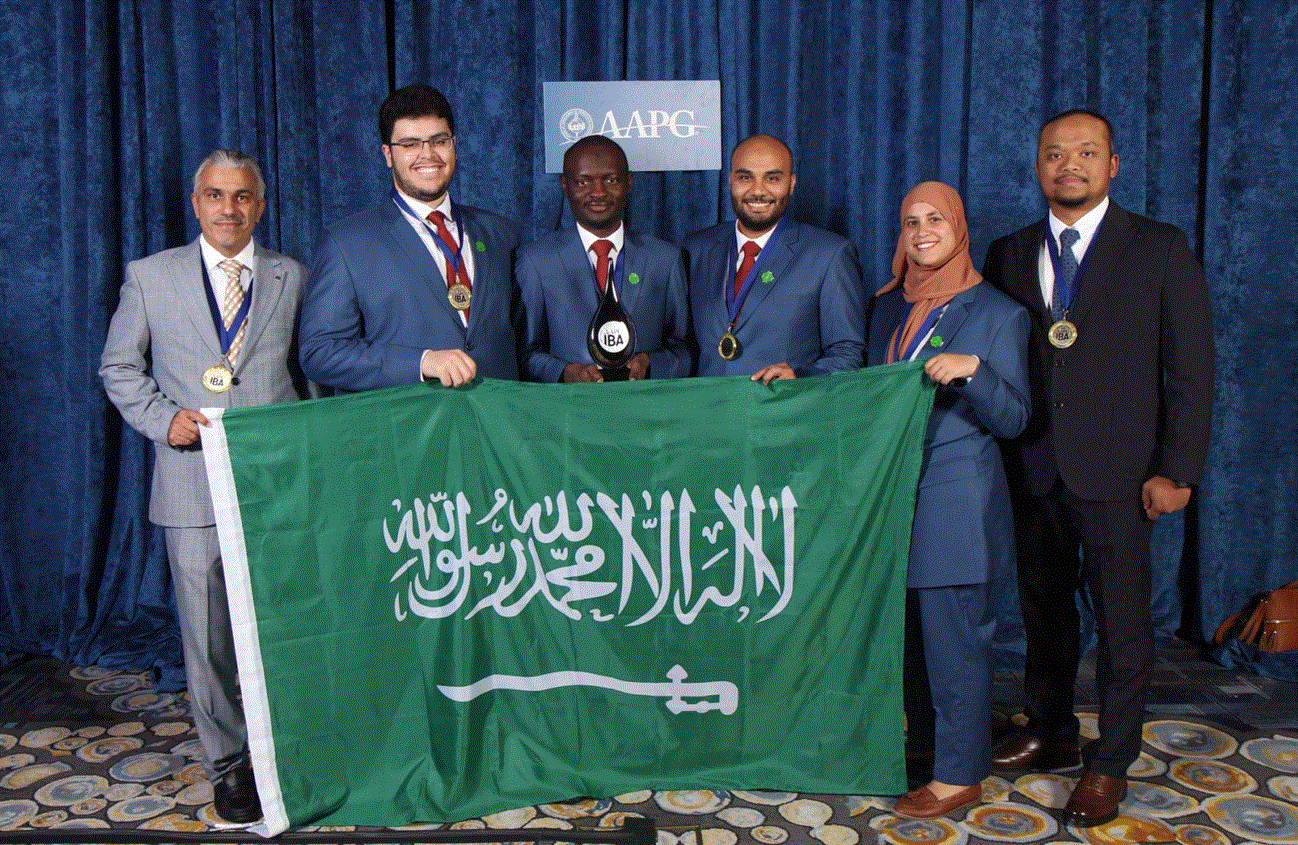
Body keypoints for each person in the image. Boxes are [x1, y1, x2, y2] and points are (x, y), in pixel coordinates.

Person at [983, 109, 1214, 827]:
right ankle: (1051, 728)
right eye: (1055, 153)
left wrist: (1177, 469)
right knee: (1043, 609)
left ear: (1114, 165)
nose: (1069, 164)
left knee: (1122, 624)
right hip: (1036, 464)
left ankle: (1109, 760)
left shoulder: (1160, 247)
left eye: (1086, 152)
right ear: (1037, 165)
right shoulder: (1008, 251)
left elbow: (1193, 370)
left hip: (1123, 471)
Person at [100, 149, 313, 824]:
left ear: (262, 204)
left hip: (274, 490)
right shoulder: (150, 277)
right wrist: (166, 421)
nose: (230, 208)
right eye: (217, 196)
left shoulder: (292, 277)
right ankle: (229, 765)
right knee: (210, 642)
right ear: (196, 204)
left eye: (243, 196)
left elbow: (309, 380)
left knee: (283, 628)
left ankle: (290, 748)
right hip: (192, 492)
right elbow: (118, 369)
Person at [867, 182, 1030, 819]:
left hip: (956, 505)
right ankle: (924, 756)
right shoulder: (888, 308)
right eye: (911, 221)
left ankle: (960, 775)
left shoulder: (996, 313)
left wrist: (973, 370)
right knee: (908, 642)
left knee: (955, 642)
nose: (923, 231)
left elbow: (1016, 417)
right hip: (891, 503)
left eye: (936, 219)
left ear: (959, 228)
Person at [299, 84, 521, 392]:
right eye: (410, 144)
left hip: (495, 425)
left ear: (454, 144)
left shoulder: (500, 233)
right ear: (388, 154)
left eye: (439, 141)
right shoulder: (346, 243)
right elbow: (320, 353)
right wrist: (422, 362)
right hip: (406, 431)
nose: (427, 154)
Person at [683, 134, 865, 382]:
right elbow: (681, 346)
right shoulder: (696, 249)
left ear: (791, 184)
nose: (758, 191)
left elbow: (849, 354)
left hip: (782, 413)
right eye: (745, 177)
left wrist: (800, 375)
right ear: (730, 180)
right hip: (708, 413)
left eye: (772, 178)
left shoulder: (830, 254)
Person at [516, 135, 689, 382]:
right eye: (583, 182)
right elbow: (524, 354)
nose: (598, 193)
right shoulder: (536, 261)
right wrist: (565, 373)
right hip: (569, 412)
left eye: (611, 180)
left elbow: (683, 351)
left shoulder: (666, 259)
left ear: (628, 182)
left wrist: (651, 364)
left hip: (643, 411)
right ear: (565, 186)